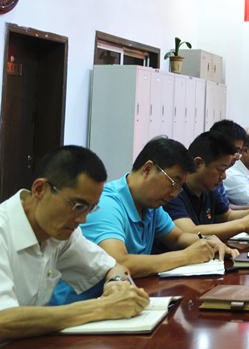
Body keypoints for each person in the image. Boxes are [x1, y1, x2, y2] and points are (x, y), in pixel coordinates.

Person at [49, 137, 238, 305]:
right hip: (78, 307)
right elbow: (117, 261)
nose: (174, 194)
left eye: (180, 187)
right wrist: (187, 256)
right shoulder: (106, 204)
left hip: (122, 302)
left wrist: (207, 241)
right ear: (148, 169)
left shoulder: (150, 205)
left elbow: (178, 238)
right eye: (174, 183)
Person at [0, 146, 149, 342]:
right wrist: (102, 307)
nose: (82, 219)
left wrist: (116, 284)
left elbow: (113, 266)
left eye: (90, 208)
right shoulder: (4, 230)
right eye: (77, 206)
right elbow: (3, 321)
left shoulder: (61, 233)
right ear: (39, 190)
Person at [162, 131, 249, 242]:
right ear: (197, 163)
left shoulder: (208, 187)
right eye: (220, 170)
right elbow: (189, 231)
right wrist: (242, 224)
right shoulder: (174, 190)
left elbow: (226, 215)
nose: (224, 176)